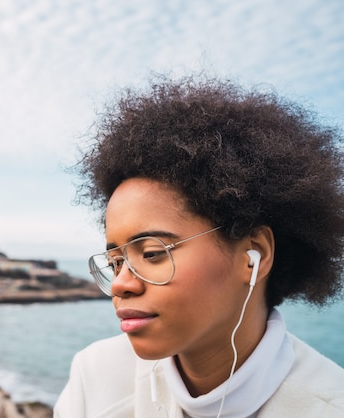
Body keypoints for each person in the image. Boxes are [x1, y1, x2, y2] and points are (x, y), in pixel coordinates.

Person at [54, 75, 344, 417]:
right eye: (116, 262)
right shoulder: (95, 378)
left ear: (255, 255)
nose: (120, 285)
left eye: (152, 253)